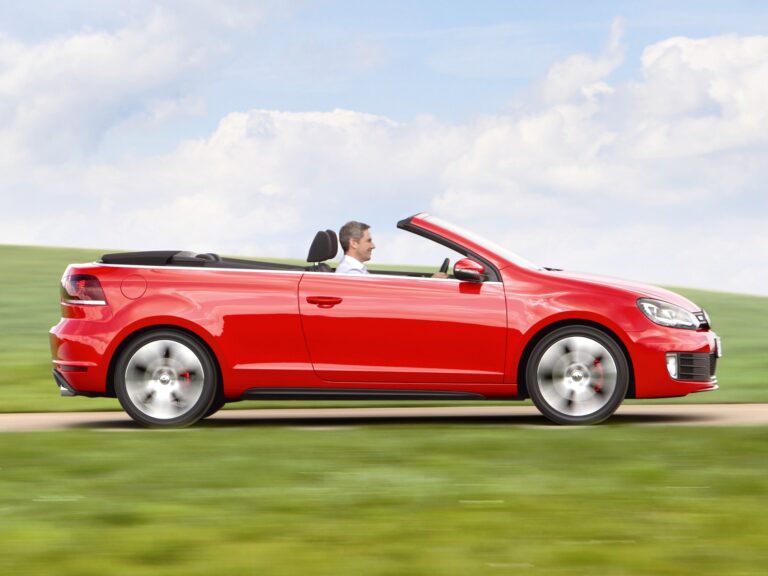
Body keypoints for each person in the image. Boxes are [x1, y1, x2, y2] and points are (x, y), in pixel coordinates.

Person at [336, 220, 448, 278]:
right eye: (368, 241)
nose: (373, 246)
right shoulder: (351, 273)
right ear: (354, 243)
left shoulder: (355, 271)